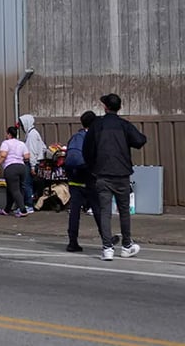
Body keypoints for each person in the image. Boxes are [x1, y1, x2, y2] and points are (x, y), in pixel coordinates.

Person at [84, 93, 147, 261]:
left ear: (105, 107)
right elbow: (140, 141)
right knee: (124, 211)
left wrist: (93, 168)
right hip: (122, 173)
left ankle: (107, 248)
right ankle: (126, 245)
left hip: (102, 174)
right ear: (119, 107)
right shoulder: (124, 125)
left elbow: (87, 150)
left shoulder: (97, 126)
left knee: (105, 211)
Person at [63, 111, 121, 252]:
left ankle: (72, 242)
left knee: (75, 213)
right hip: (91, 180)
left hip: (75, 181)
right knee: (98, 210)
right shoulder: (95, 137)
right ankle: (106, 240)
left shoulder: (76, 137)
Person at [0, 126, 31, 218]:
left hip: (11, 168)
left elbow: (3, 155)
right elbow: (27, 156)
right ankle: (7, 209)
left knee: (14, 190)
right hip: (22, 167)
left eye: (7, 133)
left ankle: (23, 210)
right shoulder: (21, 144)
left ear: (9, 134)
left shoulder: (6, 143)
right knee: (14, 189)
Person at [18, 113, 46, 214]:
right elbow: (43, 147)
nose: (21, 127)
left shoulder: (31, 135)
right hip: (36, 162)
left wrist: (33, 166)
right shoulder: (34, 133)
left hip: (31, 163)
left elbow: (32, 152)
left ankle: (29, 205)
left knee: (27, 184)